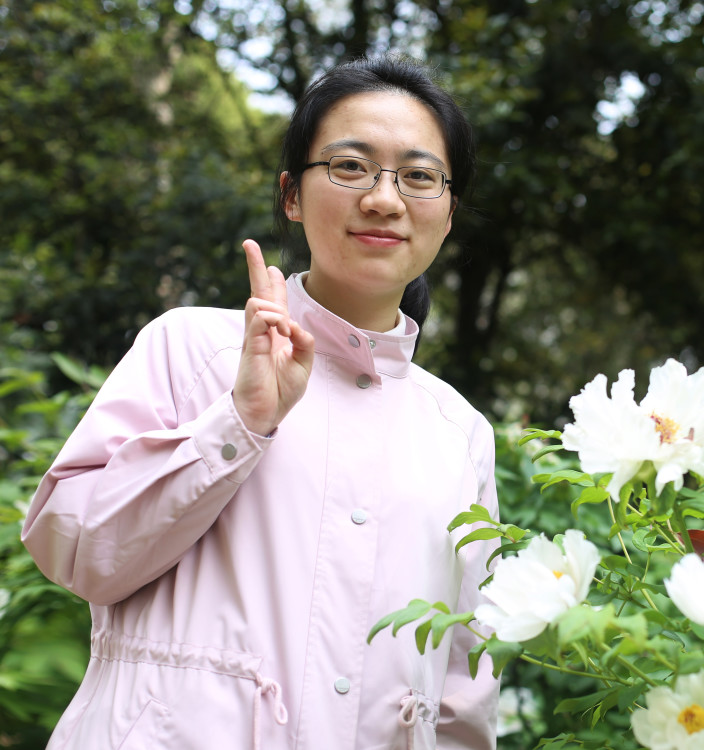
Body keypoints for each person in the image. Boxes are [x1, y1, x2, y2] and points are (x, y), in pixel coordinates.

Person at [21, 55, 500, 750]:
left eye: (420, 176)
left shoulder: (459, 433)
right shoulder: (192, 349)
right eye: (350, 166)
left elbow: (462, 683)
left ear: (448, 212)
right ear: (291, 195)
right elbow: (74, 551)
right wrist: (239, 423)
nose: (383, 199)